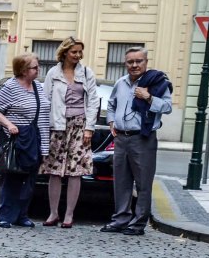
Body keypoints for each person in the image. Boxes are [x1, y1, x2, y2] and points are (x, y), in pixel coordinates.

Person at [101, 47, 172, 236]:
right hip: (121, 138)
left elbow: (167, 107)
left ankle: (138, 223)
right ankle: (120, 219)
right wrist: (110, 121)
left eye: (138, 61)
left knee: (143, 183)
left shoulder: (156, 83)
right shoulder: (120, 83)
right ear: (125, 64)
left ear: (145, 62)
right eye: (130, 62)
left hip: (143, 138)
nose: (134, 65)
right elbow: (111, 104)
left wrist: (149, 97)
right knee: (121, 182)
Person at [40, 36, 100, 228]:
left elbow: (93, 101)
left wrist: (89, 128)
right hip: (57, 125)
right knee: (54, 171)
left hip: (80, 125)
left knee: (76, 170)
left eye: (80, 52)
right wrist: (45, 127)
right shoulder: (53, 73)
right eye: (74, 51)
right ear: (65, 52)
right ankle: (53, 213)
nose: (77, 55)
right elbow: (46, 100)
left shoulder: (86, 73)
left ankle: (69, 215)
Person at [0, 54, 50, 228]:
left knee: (30, 180)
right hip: (17, 139)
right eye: (34, 68)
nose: (38, 70)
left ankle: (22, 215)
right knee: (12, 177)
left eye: (38, 67)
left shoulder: (38, 87)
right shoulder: (11, 87)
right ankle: (6, 215)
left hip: (35, 139)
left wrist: (45, 148)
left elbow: (44, 117)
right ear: (23, 70)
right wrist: (9, 125)